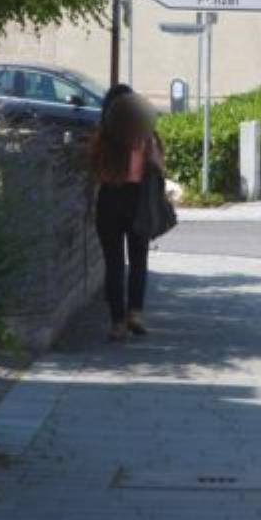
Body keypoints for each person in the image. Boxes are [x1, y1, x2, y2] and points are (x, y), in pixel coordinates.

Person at [89, 87, 163, 342]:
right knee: (139, 260)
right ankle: (135, 314)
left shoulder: (104, 137)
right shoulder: (147, 136)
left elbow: (95, 171)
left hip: (110, 200)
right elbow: (157, 167)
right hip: (138, 200)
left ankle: (117, 323)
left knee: (114, 263)